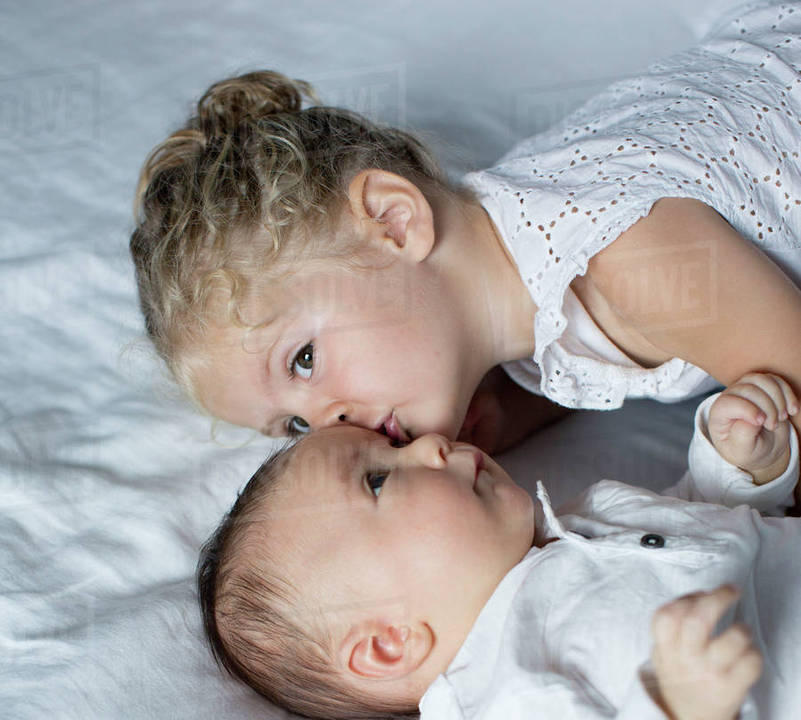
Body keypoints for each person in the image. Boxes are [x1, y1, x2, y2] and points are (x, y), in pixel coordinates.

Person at [196, 372, 801, 720]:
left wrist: (735, 470)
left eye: (396, 447)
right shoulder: (496, 708)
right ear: (389, 642)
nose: (431, 444)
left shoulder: (571, 526)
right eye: (378, 479)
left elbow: (694, 535)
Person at [131, 4, 801, 454]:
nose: (329, 426)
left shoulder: (626, 259)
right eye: (292, 426)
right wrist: (493, 425)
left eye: (303, 359)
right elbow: (570, 367)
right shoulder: (498, 288)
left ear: (394, 223)